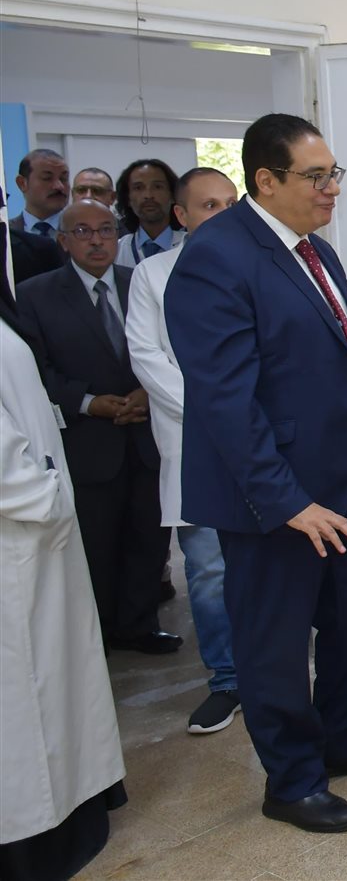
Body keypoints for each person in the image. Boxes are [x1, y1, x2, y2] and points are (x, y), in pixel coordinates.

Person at [166, 114, 347, 834]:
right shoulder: (216, 257)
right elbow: (225, 401)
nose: (332, 188)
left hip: (343, 481)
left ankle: (339, 740)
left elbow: (346, 365)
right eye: (316, 175)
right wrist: (286, 500)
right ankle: (292, 781)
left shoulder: (316, 251)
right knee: (273, 643)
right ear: (266, 181)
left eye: (335, 173)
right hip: (274, 499)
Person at [0, 267, 128, 881]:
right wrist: (46, 498)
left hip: (37, 533)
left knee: (54, 678)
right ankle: (35, 836)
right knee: (26, 693)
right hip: (19, 534)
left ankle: (75, 801)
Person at [15, 199, 177, 654]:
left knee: (148, 538)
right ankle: (96, 635)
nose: (96, 240)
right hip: (87, 440)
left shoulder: (140, 281)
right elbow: (37, 370)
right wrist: (89, 403)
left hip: (147, 432)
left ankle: (139, 626)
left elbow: (170, 348)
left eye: (105, 230)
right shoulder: (35, 294)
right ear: (63, 241)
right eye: (83, 232)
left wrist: (148, 391)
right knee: (96, 543)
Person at [126, 167, 243, 735]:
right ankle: (226, 680)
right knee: (209, 570)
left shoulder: (257, 265)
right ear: (182, 215)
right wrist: (213, 411)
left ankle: (275, 671)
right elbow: (146, 356)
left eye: (230, 204)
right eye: (208, 206)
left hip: (259, 441)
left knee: (271, 565)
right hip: (194, 440)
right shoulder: (152, 274)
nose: (221, 215)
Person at [113, 158, 184, 267]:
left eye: (157, 187)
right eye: (138, 188)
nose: (148, 195)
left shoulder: (191, 245)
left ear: (173, 195)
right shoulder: (117, 250)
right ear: (128, 199)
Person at [10, 148, 70, 237]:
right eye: (47, 178)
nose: (59, 186)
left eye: (64, 178)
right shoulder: (6, 232)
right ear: (22, 183)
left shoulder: (83, 231)